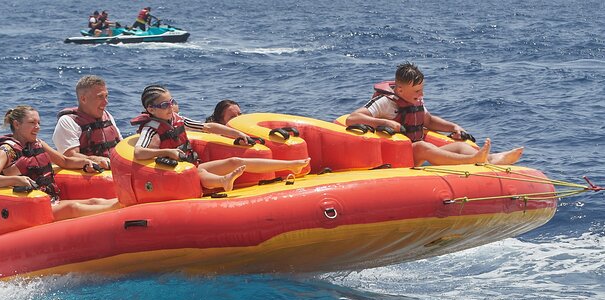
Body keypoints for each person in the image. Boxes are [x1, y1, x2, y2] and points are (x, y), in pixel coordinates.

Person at [132, 85, 311, 192]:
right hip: (176, 176)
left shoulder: (177, 120)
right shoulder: (151, 129)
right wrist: (168, 151)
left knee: (235, 160)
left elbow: (208, 127)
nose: (170, 107)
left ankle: (291, 165)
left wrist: (238, 134)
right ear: (151, 109)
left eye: (171, 102)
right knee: (200, 173)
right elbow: (139, 152)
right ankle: (222, 181)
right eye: (164, 105)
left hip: (192, 166)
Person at [346, 62, 524, 166]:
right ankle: (472, 160)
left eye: (421, 89)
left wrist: (453, 127)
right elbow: (352, 118)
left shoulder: (414, 102)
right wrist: (384, 123)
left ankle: (492, 159)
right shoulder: (385, 102)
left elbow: (429, 121)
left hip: (413, 152)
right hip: (395, 157)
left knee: (459, 146)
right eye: (416, 91)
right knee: (422, 147)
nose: (421, 94)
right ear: (399, 89)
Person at [0, 106, 119, 221]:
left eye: (38, 123)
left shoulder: (38, 143)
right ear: (16, 124)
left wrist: (86, 162)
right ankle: (119, 213)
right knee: (72, 208)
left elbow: (64, 161)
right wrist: (17, 180)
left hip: (51, 201)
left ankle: (124, 206)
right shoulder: (7, 150)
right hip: (30, 208)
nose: (37, 127)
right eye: (32, 123)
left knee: (94, 201)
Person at [52, 75, 122, 170]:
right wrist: (96, 160)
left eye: (106, 96)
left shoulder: (107, 116)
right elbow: (69, 156)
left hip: (113, 169)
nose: (106, 102)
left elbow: (120, 145)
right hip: (88, 174)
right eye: (100, 97)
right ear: (83, 99)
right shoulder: (68, 121)